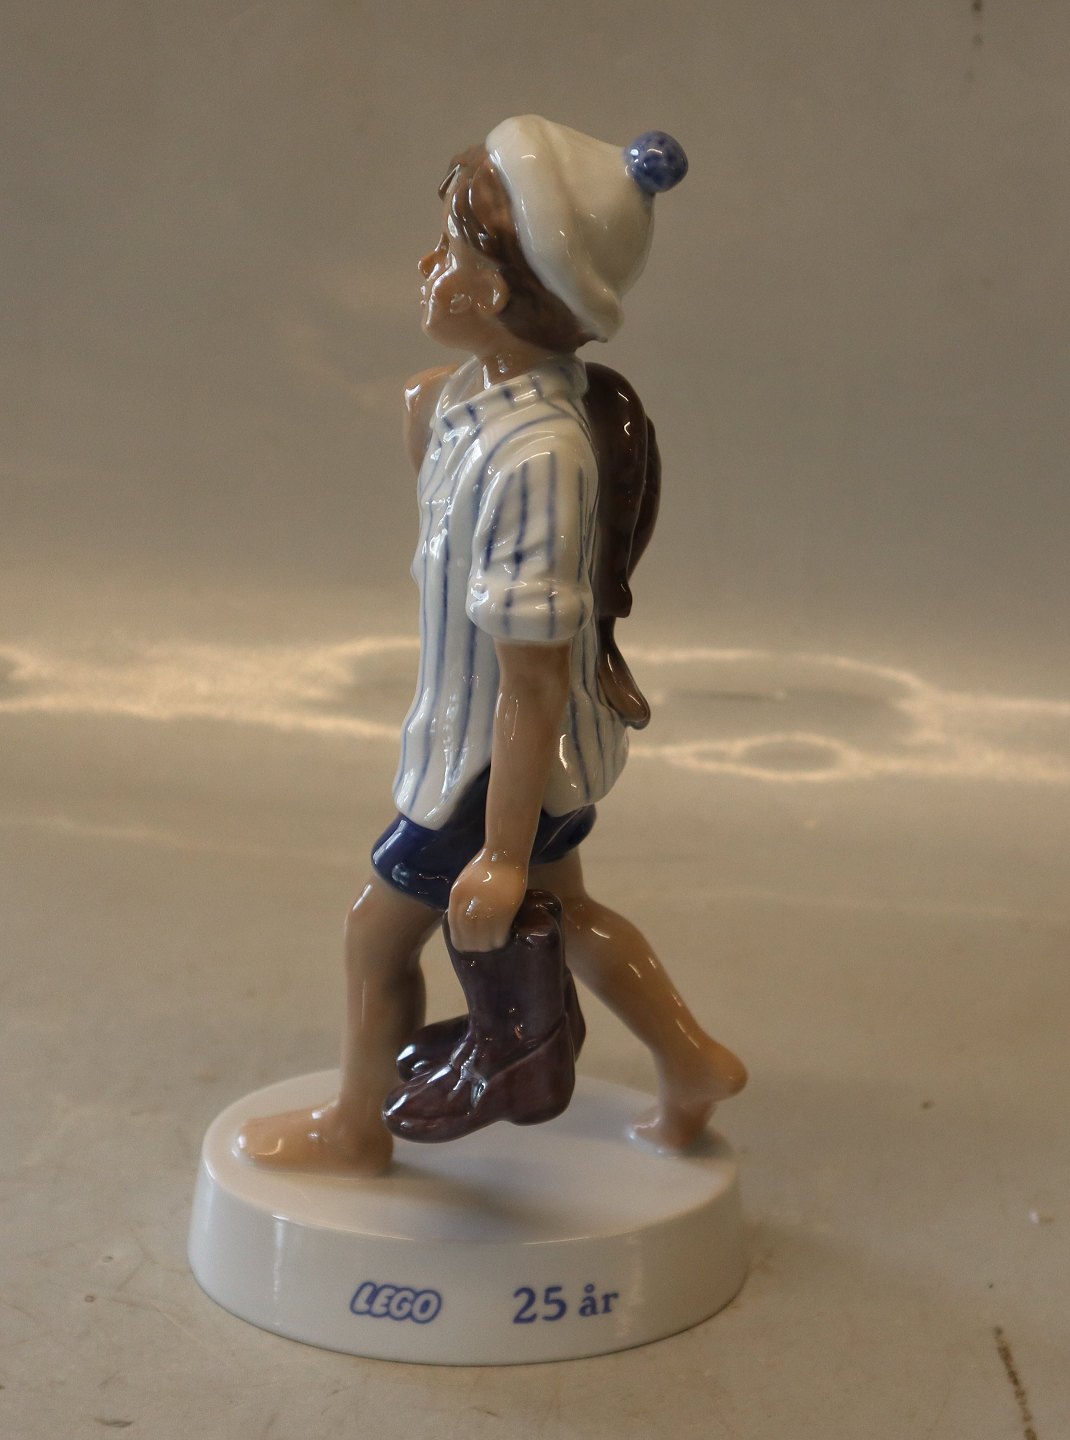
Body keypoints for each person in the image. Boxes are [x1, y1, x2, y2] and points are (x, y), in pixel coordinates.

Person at [238, 117, 746, 1177]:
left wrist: (501, 854)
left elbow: (532, 678)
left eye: (454, 250)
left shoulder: (539, 457)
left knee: (376, 933)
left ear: (509, 293)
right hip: (501, 751)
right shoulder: (466, 405)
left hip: (487, 765)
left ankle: (356, 1126)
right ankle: (691, 1061)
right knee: (572, 910)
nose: (428, 265)